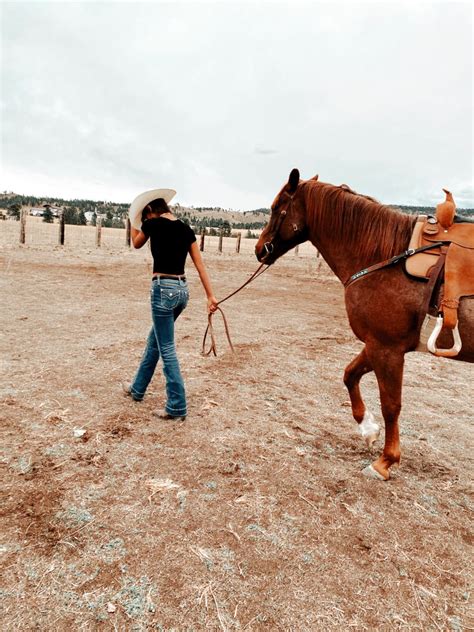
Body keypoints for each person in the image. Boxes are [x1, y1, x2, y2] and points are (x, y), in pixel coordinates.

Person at [124, 189, 218, 420]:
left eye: (144, 216)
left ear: (149, 211)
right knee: (155, 341)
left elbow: (136, 244)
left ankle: (176, 405)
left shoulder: (152, 225)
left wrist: (134, 220)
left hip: (162, 290)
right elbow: (199, 265)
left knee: (166, 348)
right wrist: (210, 296)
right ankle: (137, 388)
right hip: (182, 291)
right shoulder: (186, 229)